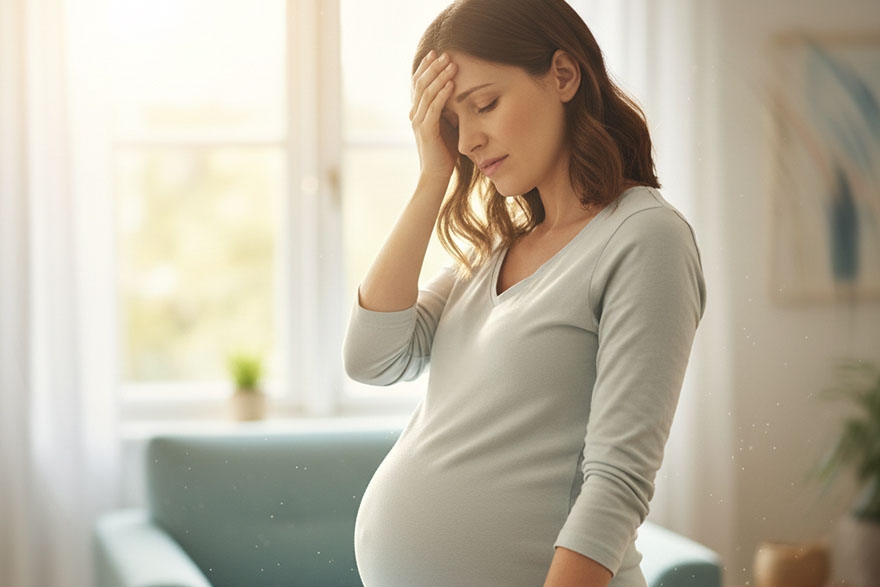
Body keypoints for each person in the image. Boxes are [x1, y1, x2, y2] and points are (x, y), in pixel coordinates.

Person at [343, 0, 706, 585]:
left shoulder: (644, 237)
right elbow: (372, 359)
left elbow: (617, 482)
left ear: (563, 76)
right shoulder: (497, 252)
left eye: (485, 104)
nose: (468, 141)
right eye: (453, 122)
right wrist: (432, 176)